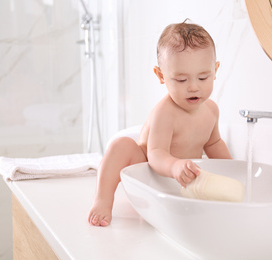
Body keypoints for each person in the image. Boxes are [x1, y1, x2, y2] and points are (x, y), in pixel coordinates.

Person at [88, 20, 232, 227]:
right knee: (121, 145)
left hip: (181, 181)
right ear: (161, 76)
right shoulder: (165, 113)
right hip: (148, 175)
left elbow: (213, 144)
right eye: (181, 80)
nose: (193, 87)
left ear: (215, 70)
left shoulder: (212, 110)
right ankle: (102, 199)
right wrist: (175, 166)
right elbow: (156, 154)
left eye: (202, 77)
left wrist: (234, 170)